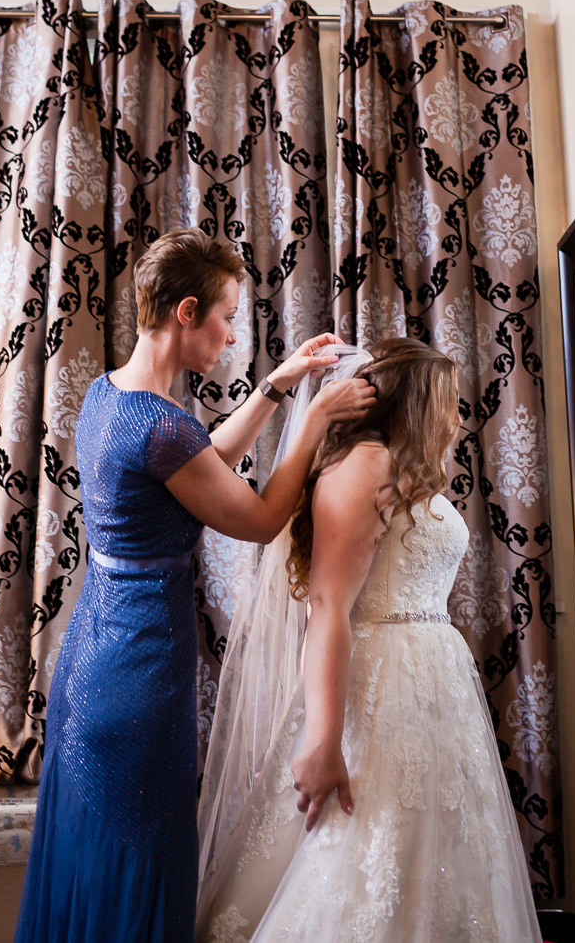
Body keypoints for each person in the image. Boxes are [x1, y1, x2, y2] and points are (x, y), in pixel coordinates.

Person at [11, 227, 374, 943]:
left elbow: (199, 466)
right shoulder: (162, 425)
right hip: (140, 670)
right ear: (186, 311)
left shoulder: (105, 395)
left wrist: (277, 388)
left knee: (95, 854)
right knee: (144, 848)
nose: (233, 335)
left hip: (92, 657)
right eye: (228, 316)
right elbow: (263, 519)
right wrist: (316, 423)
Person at [196, 337, 543, 943]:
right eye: (447, 401)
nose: (457, 417)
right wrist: (324, 740)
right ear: (414, 402)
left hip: (432, 691)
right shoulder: (364, 465)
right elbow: (327, 605)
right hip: (380, 687)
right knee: (364, 850)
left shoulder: (402, 469)